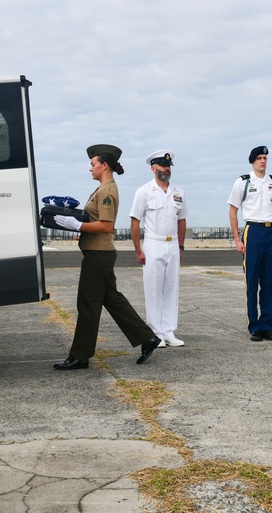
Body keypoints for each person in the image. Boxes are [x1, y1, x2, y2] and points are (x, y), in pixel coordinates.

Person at [52, 144, 161, 370]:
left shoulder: (107, 190)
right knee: (112, 299)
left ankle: (80, 356)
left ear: (104, 165)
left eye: (93, 164)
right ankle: (147, 338)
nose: (90, 168)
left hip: (98, 255)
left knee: (88, 303)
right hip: (99, 253)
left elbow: (106, 225)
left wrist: (78, 225)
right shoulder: (102, 189)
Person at [227, 146, 272, 341]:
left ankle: (267, 326)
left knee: (270, 283)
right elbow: (233, 210)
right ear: (252, 161)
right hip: (252, 231)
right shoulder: (243, 182)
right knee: (252, 282)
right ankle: (254, 326)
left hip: (271, 233)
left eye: (265, 158)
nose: (263, 161)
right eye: (259, 158)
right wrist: (237, 239)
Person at [129, 150, 188, 348]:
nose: (166, 169)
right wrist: (138, 250)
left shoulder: (178, 192)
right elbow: (135, 222)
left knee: (171, 287)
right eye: (163, 165)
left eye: (169, 165)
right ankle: (155, 332)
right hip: (153, 243)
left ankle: (169, 331)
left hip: (172, 244)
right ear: (153, 168)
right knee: (153, 288)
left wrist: (180, 245)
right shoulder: (144, 191)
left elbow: (182, 220)